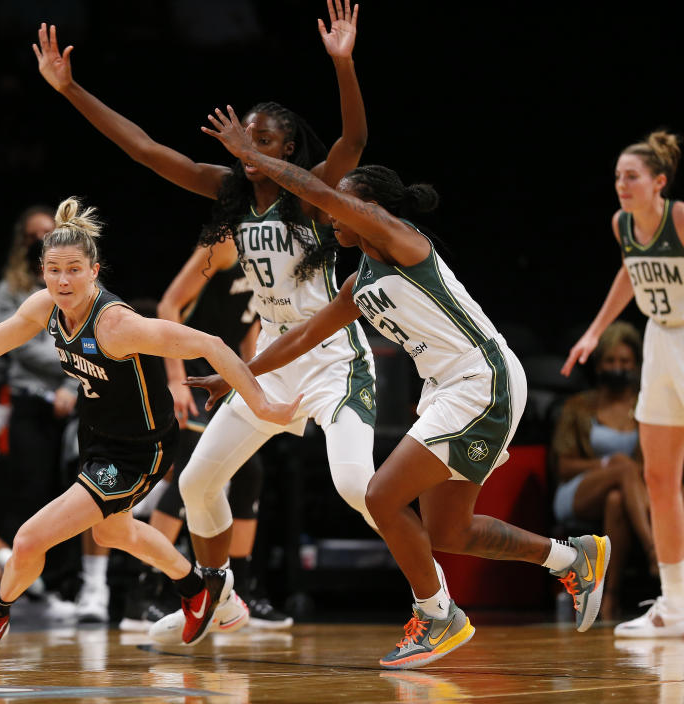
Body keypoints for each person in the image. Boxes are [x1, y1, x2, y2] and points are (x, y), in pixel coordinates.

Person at [196, 105, 610, 669]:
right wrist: (235, 376)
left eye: (343, 200)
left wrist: (251, 155)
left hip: (482, 381)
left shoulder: (401, 239)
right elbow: (299, 338)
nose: (331, 210)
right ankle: (571, 558)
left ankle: (439, 616)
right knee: (449, 530)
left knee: (381, 494)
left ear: (373, 208)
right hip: (450, 389)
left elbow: (320, 194)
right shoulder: (357, 280)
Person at [34, 2, 398, 642]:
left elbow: (355, 144)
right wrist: (70, 91)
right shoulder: (229, 199)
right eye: (244, 140)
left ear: (287, 148)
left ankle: (440, 600)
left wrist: (343, 64)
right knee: (200, 481)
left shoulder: (311, 194)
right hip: (275, 362)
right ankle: (221, 597)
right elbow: (145, 150)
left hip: (334, 358)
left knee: (357, 488)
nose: (249, 150)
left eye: (264, 141)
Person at [0, 196, 299, 662]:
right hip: (97, 437)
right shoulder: (44, 306)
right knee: (112, 533)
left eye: (74, 269)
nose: (63, 279)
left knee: (29, 539)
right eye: (53, 269)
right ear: (42, 271)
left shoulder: (117, 324)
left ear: (94, 270)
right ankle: (198, 590)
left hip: (140, 449)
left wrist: (261, 404)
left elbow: (212, 344)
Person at [121, 238, 291, 631]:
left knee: (250, 474)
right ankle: (143, 594)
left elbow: (250, 332)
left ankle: (242, 591)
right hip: (191, 372)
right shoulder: (226, 245)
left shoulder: (279, 259)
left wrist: (258, 385)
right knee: (188, 476)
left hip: (227, 374)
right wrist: (176, 377)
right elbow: (168, 305)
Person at [563, 130, 684, 638]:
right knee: (657, 477)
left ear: (659, 182)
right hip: (660, 341)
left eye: (631, 176)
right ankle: (675, 606)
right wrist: (593, 331)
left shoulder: (678, 218)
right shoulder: (623, 224)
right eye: (617, 176)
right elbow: (630, 274)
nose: (621, 184)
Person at [0, 204, 100, 622]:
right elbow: (8, 344)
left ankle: (73, 584)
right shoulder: (13, 289)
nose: (42, 238)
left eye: (48, 231)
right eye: (34, 235)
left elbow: (98, 349)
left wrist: (70, 386)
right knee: (33, 492)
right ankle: (30, 589)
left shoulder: (89, 294)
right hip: (29, 398)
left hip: (76, 400)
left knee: (77, 498)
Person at [552, 321, 653, 620]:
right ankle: (653, 550)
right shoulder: (579, 407)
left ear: (635, 364)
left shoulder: (646, 406)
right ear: (599, 365)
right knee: (622, 469)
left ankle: (609, 596)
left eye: (624, 361)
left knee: (616, 500)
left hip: (630, 495)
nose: (617, 367)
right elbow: (565, 466)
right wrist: (608, 465)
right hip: (579, 491)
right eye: (610, 360)